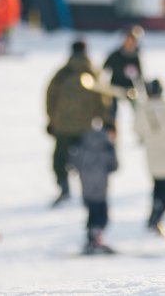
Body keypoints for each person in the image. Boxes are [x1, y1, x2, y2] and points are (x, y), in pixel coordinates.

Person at [47, 40, 115, 206]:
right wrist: (107, 122)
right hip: (86, 127)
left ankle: (64, 187)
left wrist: (52, 120)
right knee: (87, 160)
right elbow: (104, 98)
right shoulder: (93, 73)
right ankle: (88, 188)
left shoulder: (62, 73)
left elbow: (50, 97)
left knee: (59, 159)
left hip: (63, 126)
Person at [132, 79, 165, 237]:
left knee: (156, 188)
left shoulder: (141, 110)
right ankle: (156, 218)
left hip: (152, 156)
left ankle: (154, 218)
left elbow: (137, 130)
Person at [71, 118, 119, 254]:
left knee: (91, 213)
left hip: (86, 184)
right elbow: (114, 165)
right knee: (102, 216)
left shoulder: (83, 140)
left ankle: (91, 240)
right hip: (101, 185)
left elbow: (75, 160)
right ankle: (96, 240)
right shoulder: (107, 144)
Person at [102, 26, 145, 106]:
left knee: (137, 105)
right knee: (110, 105)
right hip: (115, 86)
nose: (130, 43)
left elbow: (140, 76)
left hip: (130, 88)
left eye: (133, 41)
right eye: (128, 40)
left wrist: (143, 92)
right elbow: (104, 69)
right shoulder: (115, 55)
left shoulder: (135, 57)